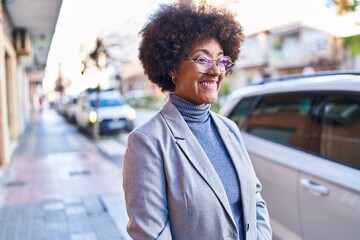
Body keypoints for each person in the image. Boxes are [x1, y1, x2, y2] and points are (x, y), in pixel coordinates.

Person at [122, 3, 272, 240]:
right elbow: (150, 235)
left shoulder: (229, 129)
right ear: (172, 67)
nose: (215, 71)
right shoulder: (147, 142)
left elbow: (255, 200)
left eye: (221, 61)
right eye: (202, 59)